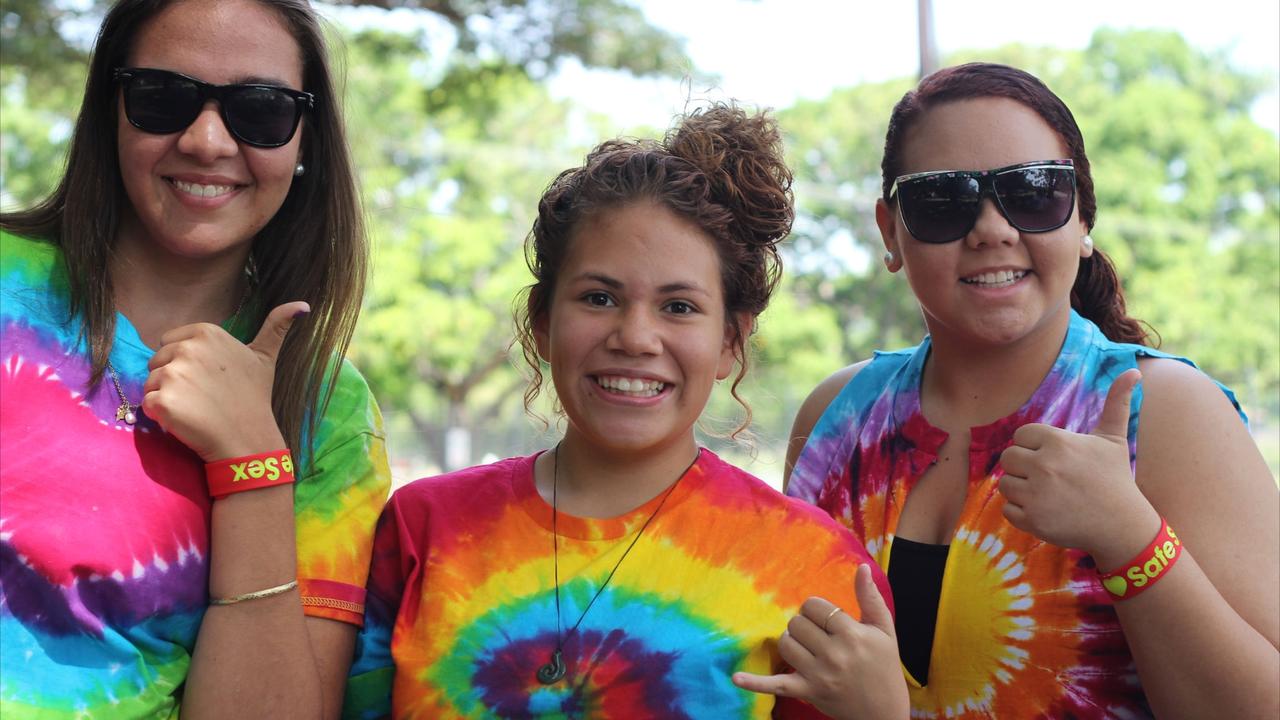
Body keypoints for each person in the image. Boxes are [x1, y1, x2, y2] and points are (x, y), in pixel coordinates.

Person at [343, 104, 907, 720]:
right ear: (542, 322)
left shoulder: (813, 567)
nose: (635, 337)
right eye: (600, 297)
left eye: (680, 307)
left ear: (730, 341)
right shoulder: (424, 527)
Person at [779, 62, 1280, 718]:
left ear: (1083, 219)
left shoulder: (1167, 412)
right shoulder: (837, 420)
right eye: (943, 200)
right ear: (888, 230)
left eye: (1034, 191)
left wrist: (1129, 536)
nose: (991, 228)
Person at [0, 1, 390, 717]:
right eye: (163, 97)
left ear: (306, 141)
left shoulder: (329, 412)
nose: (207, 140)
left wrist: (251, 463)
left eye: (261, 109)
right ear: (110, 113)